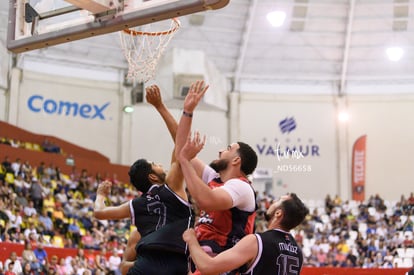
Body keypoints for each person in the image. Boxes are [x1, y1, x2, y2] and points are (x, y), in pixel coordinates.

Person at [93, 85, 194, 275]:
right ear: (153, 176)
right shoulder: (172, 185)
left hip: (145, 265)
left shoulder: (135, 205)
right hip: (176, 265)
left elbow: (99, 213)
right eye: (156, 164)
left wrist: (100, 195)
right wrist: (160, 106)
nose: (161, 164)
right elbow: (181, 141)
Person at [175, 80, 258, 274]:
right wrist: (187, 112)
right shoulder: (215, 178)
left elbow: (206, 200)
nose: (221, 150)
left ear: (236, 160)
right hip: (203, 256)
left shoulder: (242, 187)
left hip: (222, 262)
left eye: (228, 149)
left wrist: (186, 161)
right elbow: (181, 150)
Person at [183, 193, 309, 275]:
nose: (272, 202)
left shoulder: (257, 241)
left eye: (278, 200)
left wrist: (191, 239)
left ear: (278, 213)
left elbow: (208, 267)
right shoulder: (299, 253)